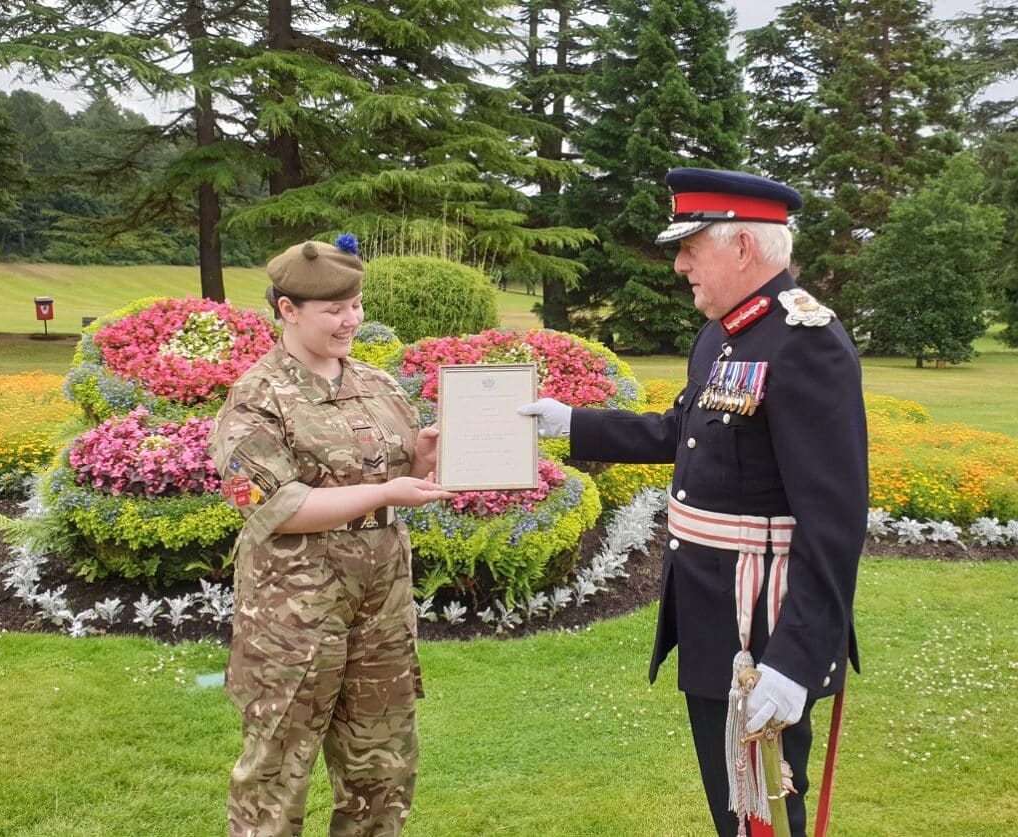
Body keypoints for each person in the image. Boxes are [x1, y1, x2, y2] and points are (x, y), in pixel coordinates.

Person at [519, 168, 868, 837]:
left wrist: (796, 660)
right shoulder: (722, 334)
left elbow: (834, 521)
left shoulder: (807, 343)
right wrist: (572, 422)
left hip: (762, 625)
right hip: (713, 616)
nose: (679, 263)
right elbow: (679, 431)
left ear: (742, 248)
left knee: (763, 812)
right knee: (731, 807)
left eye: (691, 245)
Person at [209, 235, 455, 837]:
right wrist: (385, 493)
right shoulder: (255, 399)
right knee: (275, 773)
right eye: (334, 310)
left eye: (357, 305)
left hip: (380, 606)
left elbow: (393, 477)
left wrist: (419, 461)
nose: (351, 321)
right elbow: (278, 507)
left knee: (383, 767)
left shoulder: (378, 384)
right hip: (295, 613)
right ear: (287, 310)